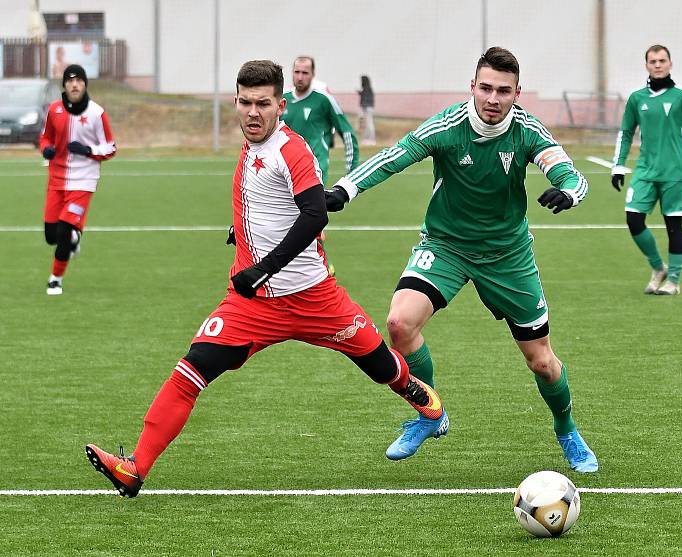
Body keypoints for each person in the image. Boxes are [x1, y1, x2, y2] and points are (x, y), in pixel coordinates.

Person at [85, 60, 447, 498]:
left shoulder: (292, 150)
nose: (253, 112)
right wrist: (241, 232)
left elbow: (314, 214)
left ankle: (418, 397)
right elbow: (263, 201)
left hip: (316, 298)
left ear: (281, 106)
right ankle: (134, 468)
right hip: (252, 305)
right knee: (190, 370)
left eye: (262, 103)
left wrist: (262, 267)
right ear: (235, 102)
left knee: (380, 365)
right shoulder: (250, 145)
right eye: (245, 102)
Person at [325, 47, 597, 472]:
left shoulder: (526, 130)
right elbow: (394, 157)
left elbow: (566, 170)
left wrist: (567, 191)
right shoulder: (448, 126)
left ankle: (567, 430)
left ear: (516, 93)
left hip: (507, 255)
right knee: (399, 323)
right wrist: (344, 190)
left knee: (542, 362)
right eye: (485, 88)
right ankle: (429, 412)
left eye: (503, 91)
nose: (493, 98)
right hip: (446, 246)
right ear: (472, 87)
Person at [611, 44, 682, 296]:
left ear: (670, 63)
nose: (657, 65)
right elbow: (625, 133)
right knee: (633, 219)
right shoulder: (636, 98)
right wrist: (618, 165)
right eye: (652, 61)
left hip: (675, 172)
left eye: (662, 60)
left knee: (673, 226)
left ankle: (674, 280)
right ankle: (658, 267)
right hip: (645, 170)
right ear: (646, 65)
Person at [39, 64, 116, 295]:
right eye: (70, 80)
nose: (74, 84)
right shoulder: (54, 110)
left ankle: (55, 279)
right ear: (64, 85)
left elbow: (110, 148)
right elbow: (44, 139)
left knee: (63, 233)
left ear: (84, 84)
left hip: (83, 181)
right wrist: (47, 150)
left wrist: (87, 150)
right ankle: (74, 237)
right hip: (57, 180)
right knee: (51, 236)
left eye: (79, 80)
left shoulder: (96, 113)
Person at [282, 56, 359, 185]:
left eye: (305, 73)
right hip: (285, 167)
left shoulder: (324, 100)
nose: (300, 77)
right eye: (297, 72)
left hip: (315, 168)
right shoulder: (282, 99)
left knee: (310, 205)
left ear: (312, 75)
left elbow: (347, 132)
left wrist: (352, 170)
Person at [358, 75, 376, 146]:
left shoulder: (367, 89)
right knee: (367, 124)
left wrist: (363, 106)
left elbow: (367, 99)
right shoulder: (366, 89)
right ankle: (367, 139)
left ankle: (371, 139)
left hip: (367, 108)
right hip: (367, 108)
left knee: (369, 124)